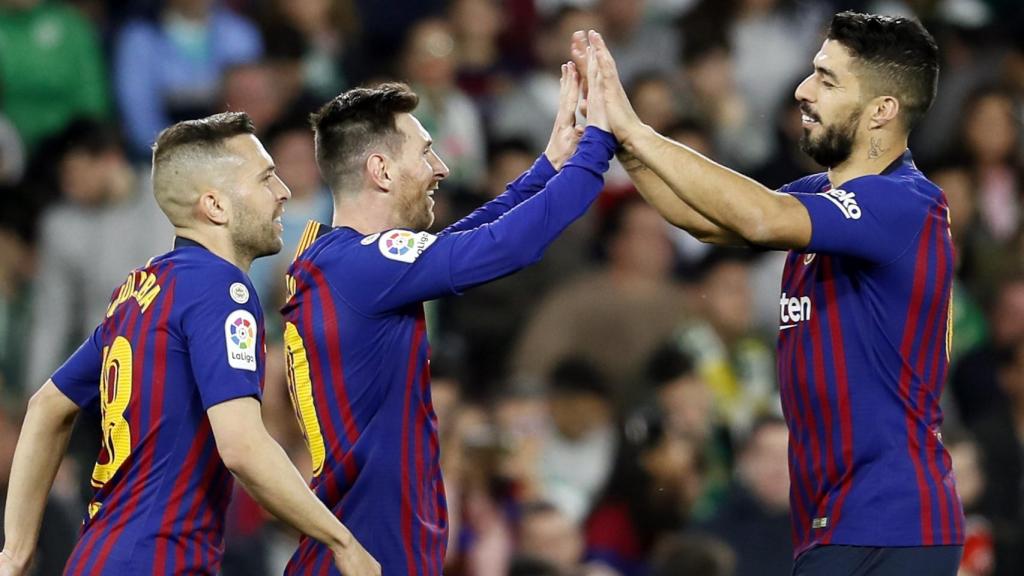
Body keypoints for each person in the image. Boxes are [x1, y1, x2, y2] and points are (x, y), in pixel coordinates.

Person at [577, 10, 964, 575]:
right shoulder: (820, 197)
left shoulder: (906, 203)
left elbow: (760, 217)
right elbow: (707, 219)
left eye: (828, 80)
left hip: (892, 521)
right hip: (837, 521)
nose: (804, 92)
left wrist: (638, 129)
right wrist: (622, 141)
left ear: (883, 110)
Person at [0, 112, 378, 576]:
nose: (283, 192)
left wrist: (14, 554)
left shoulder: (140, 291)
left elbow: (46, 407)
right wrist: (342, 542)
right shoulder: (223, 291)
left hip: (98, 558)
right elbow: (242, 446)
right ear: (215, 206)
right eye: (266, 178)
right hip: (160, 561)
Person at [280, 59, 616, 574]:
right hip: (372, 549)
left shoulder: (345, 262)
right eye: (426, 151)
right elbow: (506, 246)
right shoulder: (361, 265)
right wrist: (601, 141)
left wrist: (550, 165)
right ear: (381, 170)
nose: (441, 168)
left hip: (370, 540)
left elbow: (469, 236)